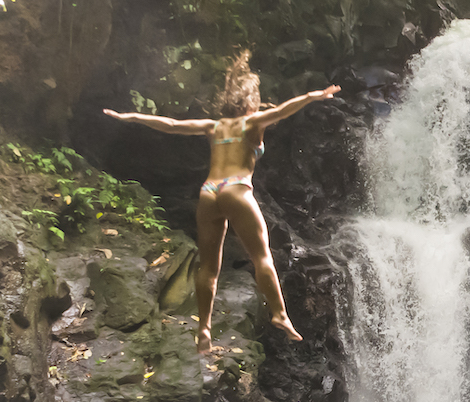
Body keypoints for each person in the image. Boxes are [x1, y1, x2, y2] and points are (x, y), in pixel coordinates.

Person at [104, 51, 340, 351]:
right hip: (236, 188)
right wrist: (313, 95)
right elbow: (283, 111)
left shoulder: (213, 127)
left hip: (209, 192)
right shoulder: (253, 122)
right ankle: (280, 314)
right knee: (262, 257)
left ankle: (203, 327)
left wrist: (131, 116)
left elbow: (172, 125)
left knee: (209, 267)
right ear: (251, 101)